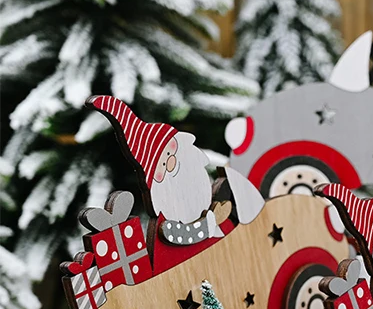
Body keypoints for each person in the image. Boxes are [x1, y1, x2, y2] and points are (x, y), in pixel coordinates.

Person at [88, 96, 263, 272]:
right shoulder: (169, 225)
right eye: (163, 165)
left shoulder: (212, 197)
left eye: (170, 152)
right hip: (185, 271)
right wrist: (211, 222)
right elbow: (178, 234)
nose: (172, 163)